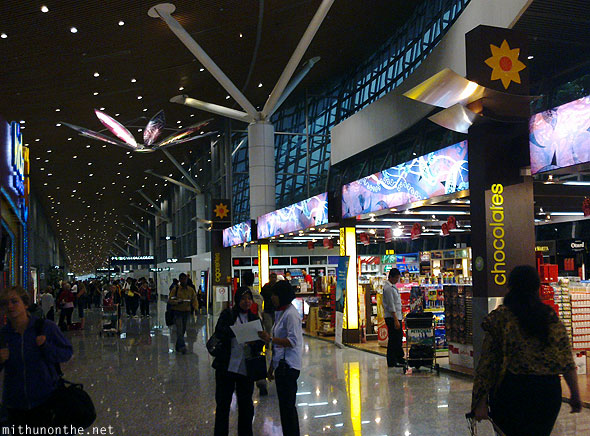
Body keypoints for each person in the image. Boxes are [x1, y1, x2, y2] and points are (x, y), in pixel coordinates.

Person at [472, 265, 582, 436]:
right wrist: (575, 394)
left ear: (510, 287)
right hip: (546, 392)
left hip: (510, 392)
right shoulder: (549, 318)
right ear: (537, 288)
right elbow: (566, 360)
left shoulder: (501, 318)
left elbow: (487, 363)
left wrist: (480, 402)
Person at [0, 286, 73, 426]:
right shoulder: (3, 335)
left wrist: (46, 346)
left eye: (14, 301)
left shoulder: (45, 327)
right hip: (15, 405)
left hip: (45, 401)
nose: (9, 306)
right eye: (5, 303)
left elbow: (66, 353)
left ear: (25, 304)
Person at [212, 286, 265, 436]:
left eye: (249, 299)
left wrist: (255, 342)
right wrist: (237, 332)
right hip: (226, 367)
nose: (246, 302)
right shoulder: (227, 315)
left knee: (246, 405)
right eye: (243, 298)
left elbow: (260, 343)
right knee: (223, 405)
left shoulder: (254, 319)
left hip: (245, 368)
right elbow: (219, 333)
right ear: (237, 300)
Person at [258, 280, 303, 436]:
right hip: (281, 366)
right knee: (284, 407)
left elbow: (292, 341)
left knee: (288, 407)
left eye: (275, 295)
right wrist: (271, 367)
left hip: (289, 367)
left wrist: (269, 338)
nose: (272, 298)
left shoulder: (291, 315)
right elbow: (278, 345)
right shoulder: (281, 312)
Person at [169, 273, 198, 354]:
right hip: (177, 312)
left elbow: (194, 299)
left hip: (186, 311)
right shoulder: (176, 289)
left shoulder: (190, 290)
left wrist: (196, 308)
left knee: (183, 329)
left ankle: (178, 346)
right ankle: (182, 346)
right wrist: (177, 301)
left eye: (185, 279)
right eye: (182, 279)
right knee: (179, 329)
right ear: (179, 280)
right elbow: (170, 300)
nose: (183, 281)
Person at [382, 268, 405, 367]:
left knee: (398, 337)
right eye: (396, 278)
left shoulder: (392, 287)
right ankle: (392, 360)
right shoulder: (388, 289)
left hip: (396, 316)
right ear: (391, 277)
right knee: (394, 339)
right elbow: (391, 305)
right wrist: (396, 320)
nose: (397, 280)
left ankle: (399, 358)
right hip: (392, 317)